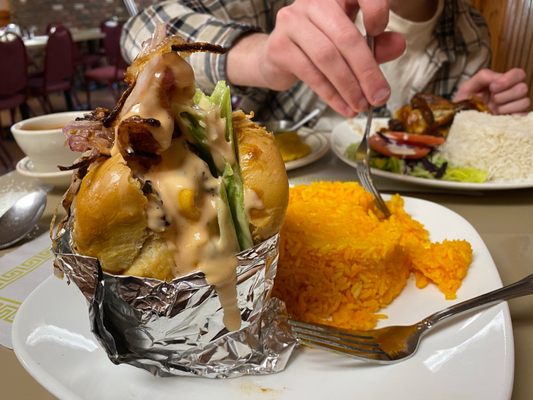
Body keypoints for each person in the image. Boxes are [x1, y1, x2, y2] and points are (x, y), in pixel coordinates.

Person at [121, 0, 530, 128]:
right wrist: (259, 56)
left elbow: (420, 158)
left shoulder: (470, 32)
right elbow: (142, 29)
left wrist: (467, 119)